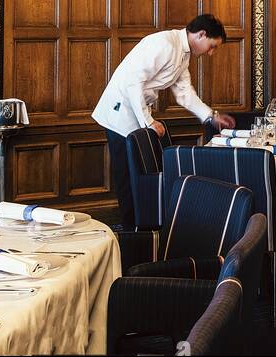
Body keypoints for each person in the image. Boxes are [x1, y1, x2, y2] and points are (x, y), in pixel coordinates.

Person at [92, 14, 235, 227]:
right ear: (201, 34)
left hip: (136, 112)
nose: (211, 53)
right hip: (119, 111)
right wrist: (149, 122)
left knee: (138, 174)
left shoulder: (183, 53)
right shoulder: (164, 44)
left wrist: (211, 117)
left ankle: (143, 226)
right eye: (212, 46)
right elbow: (133, 83)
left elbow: (185, 93)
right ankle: (131, 231)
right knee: (127, 176)